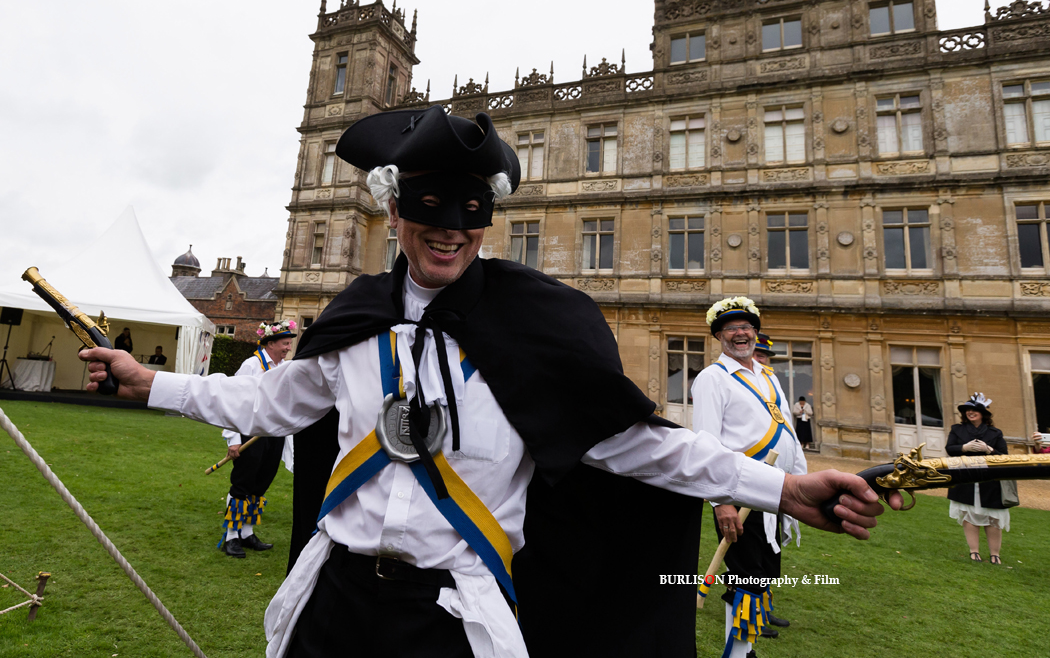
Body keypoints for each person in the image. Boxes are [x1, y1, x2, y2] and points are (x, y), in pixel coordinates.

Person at [81, 106, 898, 658]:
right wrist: (148, 380)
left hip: (453, 615)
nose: (450, 231)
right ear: (395, 213)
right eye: (430, 209)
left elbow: (644, 447)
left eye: (469, 213)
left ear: (488, 221)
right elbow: (262, 403)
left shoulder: (535, 325)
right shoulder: (353, 316)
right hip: (333, 596)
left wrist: (783, 489)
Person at [693, 299, 809, 657]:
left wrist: (801, 483)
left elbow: (788, 432)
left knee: (763, 574)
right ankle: (739, 654)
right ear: (719, 336)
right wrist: (720, 501)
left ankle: (747, 648)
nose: (740, 334)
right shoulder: (712, 378)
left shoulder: (769, 376)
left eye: (746, 327)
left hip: (776, 490)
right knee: (746, 576)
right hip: (740, 494)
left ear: (755, 333)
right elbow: (706, 444)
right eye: (730, 328)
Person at [220, 320, 297, 558]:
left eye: (289, 344)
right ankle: (231, 537)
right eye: (285, 343)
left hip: (274, 434)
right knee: (242, 484)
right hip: (250, 433)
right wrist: (233, 439)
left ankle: (247, 532)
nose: (288, 348)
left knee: (261, 483)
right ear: (270, 343)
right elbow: (232, 400)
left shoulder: (284, 367)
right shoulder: (251, 365)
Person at [945, 393, 1009, 564]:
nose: (970, 413)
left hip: (989, 480)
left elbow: (1005, 457)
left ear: (983, 414)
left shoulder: (995, 433)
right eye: (967, 410)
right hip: (965, 476)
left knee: (993, 517)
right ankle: (974, 552)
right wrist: (964, 447)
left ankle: (995, 554)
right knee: (969, 514)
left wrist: (990, 450)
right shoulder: (957, 429)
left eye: (974, 410)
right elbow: (950, 449)